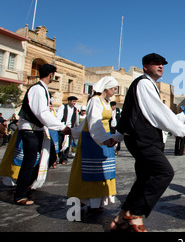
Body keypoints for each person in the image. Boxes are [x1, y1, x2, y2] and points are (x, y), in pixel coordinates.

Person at [112, 53, 185, 232]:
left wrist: (118, 137)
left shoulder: (147, 84)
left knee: (143, 178)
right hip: (143, 139)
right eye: (155, 63)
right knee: (164, 173)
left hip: (141, 138)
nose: (160, 66)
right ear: (145, 66)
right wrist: (182, 130)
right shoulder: (144, 83)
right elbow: (158, 112)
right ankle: (136, 213)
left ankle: (121, 217)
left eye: (162, 64)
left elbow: (129, 112)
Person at [14, 64, 70, 205]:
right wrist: (61, 127)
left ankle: (28, 184)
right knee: (29, 160)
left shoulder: (42, 89)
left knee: (50, 155)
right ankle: (20, 194)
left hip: (38, 130)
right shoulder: (37, 89)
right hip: (30, 130)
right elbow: (42, 113)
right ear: (51, 75)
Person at [67, 76, 122, 212]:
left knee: (102, 171)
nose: (115, 91)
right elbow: (92, 122)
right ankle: (88, 200)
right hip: (94, 138)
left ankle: (96, 202)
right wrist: (104, 138)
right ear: (107, 88)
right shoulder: (95, 101)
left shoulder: (105, 102)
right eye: (114, 89)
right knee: (90, 171)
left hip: (103, 137)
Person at [57, 96, 79, 164]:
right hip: (63, 128)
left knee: (68, 144)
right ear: (69, 101)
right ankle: (59, 157)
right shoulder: (63, 107)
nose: (74, 103)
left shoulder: (75, 109)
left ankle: (64, 158)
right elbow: (59, 117)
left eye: (75, 101)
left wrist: (76, 127)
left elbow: (76, 120)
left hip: (70, 128)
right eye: (73, 101)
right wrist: (61, 126)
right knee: (61, 143)